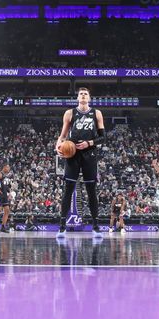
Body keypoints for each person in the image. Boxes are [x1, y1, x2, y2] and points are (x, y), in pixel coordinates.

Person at [54, 87, 106, 239]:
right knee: (68, 190)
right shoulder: (70, 113)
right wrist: (58, 145)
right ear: (77, 98)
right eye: (81, 94)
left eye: (85, 94)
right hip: (73, 154)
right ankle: (62, 226)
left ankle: (95, 226)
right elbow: (63, 135)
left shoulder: (97, 113)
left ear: (89, 98)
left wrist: (89, 143)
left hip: (89, 154)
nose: (83, 96)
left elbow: (103, 138)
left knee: (91, 191)